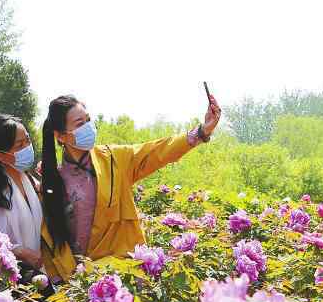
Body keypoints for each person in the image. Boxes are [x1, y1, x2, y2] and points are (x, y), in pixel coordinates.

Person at [40, 90, 221, 264]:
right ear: (61, 136)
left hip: (123, 270)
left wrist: (202, 131)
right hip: (79, 282)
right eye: (80, 124)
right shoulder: (54, 178)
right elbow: (51, 240)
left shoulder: (114, 159)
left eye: (88, 120)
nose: (88, 127)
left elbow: (158, 151)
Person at [0, 114, 75, 282]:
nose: (28, 147)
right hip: (8, 281)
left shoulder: (28, 180)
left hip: (37, 276)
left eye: (27, 140)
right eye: (20, 145)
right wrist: (17, 250)